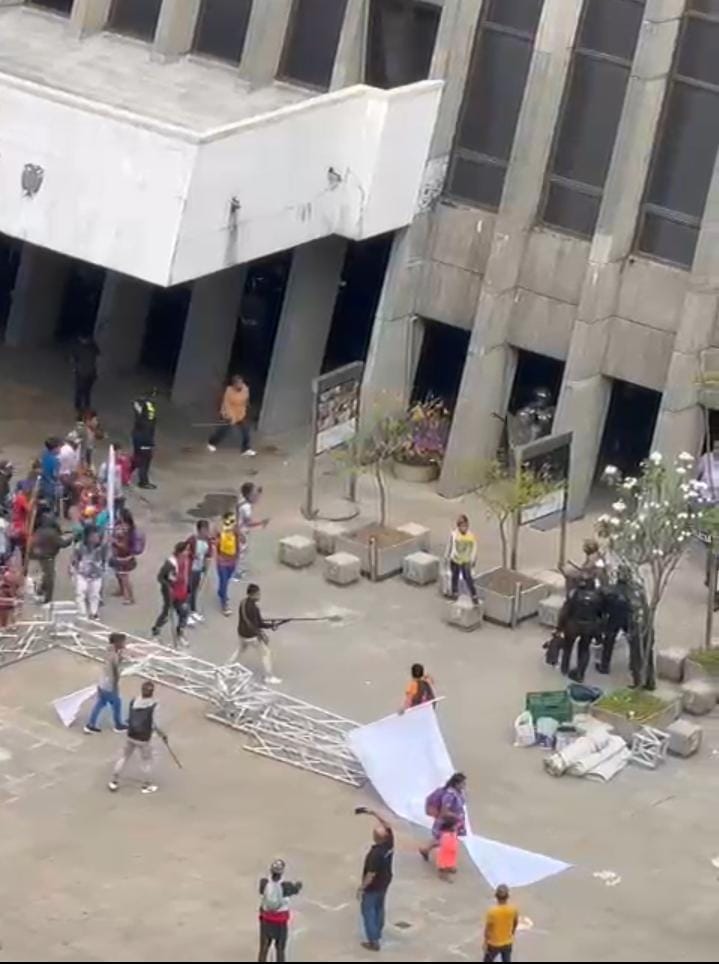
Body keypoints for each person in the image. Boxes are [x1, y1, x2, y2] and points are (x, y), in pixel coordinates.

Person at [108, 680, 167, 794]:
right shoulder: (154, 705)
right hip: (144, 738)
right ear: (152, 692)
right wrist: (162, 734)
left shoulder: (134, 701)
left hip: (131, 734)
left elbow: (129, 717)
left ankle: (114, 781)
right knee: (146, 761)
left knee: (124, 757)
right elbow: (155, 724)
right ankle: (146, 785)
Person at [357, 807, 394, 952]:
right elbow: (388, 825)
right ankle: (378, 929)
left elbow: (370, 875)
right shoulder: (389, 843)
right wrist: (373, 813)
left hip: (373, 885)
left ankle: (373, 941)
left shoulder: (374, 854)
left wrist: (362, 888)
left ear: (376, 837)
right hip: (385, 881)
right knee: (379, 907)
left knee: (368, 911)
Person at [559, 574, 604, 681]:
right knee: (584, 649)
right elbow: (601, 614)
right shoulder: (598, 597)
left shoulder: (574, 594)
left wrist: (560, 627)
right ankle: (580, 673)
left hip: (573, 625)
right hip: (589, 627)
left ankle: (564, 668)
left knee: (568, 647)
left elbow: (565, 612)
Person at [257, 859, 302, 963]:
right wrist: (298, 885)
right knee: (280, 950)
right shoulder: (286, 886)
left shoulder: (263, 882)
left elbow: (261, 891)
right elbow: (295, 890)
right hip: (280, 924)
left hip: (265, 921)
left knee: (263, 949)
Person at [236, 583, 281, 684]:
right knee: (266, 653)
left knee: (240, 650)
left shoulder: (242, 603)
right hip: (251, 636)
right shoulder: (254, 609)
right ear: (253, 595)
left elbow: (252, 621)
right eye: (258, 594)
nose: (259, 596)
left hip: (241, 633)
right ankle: (269, 676)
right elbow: (259, 624)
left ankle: (227, 667)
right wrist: (271, 626)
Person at [84, 632, 127, 734]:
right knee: (117, 703)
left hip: (102, 682)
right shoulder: (114, 655)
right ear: (117, 643)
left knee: (100, 703)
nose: (124, 643)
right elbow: (116, 671)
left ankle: (90, 725)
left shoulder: (108, 651)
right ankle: (118, 725)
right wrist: (115, 686)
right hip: (109, 685)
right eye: (123, 642)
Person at [420, 772, 467, 863]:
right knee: (445, 840)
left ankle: (426, 849)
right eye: (463, 783)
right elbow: (444, 811)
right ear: (456, 784)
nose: (464, 785)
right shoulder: (449, 795)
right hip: (447, 822)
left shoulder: (458, 793)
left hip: (453, 822)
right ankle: (443, 863)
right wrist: (457, 816)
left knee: (442, 840)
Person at [151, 541, 190, 646]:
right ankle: (156, 631)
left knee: (184, 612)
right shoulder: (170, 563)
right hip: (170, 592)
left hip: (182, 591)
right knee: (167, 614)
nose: (188, 552)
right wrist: (168, 586)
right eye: (186, 550)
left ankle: (180, 633)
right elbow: (160, 577)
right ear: (180, 551)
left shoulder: (186, 561)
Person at [29, 511, 72, 604]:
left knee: (45, 575)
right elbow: (62, 544)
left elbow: (33, 544)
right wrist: (71, 538)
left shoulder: (38, 532)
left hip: (39, 556)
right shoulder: (52, 533)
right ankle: (47, 598)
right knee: (50, 577)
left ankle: (40, 589)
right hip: (48, 557)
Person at [597, 568, 633, 675]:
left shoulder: (611, 590)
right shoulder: (631, 592)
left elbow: (603, 607)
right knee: (633, 641)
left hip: (613, 619)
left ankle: (604, 667)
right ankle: (634, 664)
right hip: (627, 619)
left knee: (608, 643)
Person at [207, 374, 255, 456]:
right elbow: (227, 405)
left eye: (241, 383)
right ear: (234, 385)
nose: (240, 385)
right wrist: (231, 417)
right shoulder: (229, 391)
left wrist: (242, 414)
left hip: (240, 413)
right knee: (223, 430)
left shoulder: (245, 389)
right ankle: (211, 443)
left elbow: (245, 402)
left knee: (246, 431)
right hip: (228, 413)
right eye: (238, 384)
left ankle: (245, 449)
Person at [71, 524, 107, 620]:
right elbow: (75, 558)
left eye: (97, 536)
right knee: (80, 593)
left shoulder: (102, 547)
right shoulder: (79, 546)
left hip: (97, 574)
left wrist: (103, 569)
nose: (96, 538)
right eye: (93, 536)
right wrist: (73, 569)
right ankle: (82, 613)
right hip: (82, 573)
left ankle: (94, 612)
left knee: (95, 594)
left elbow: (104, 559)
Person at [235, 481, 269, 579]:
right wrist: (261, 522)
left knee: (240, 550)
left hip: (238, 527)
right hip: (242, 531)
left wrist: (258, 491)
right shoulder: (246, 508)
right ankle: (238, 573)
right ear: (249, 496)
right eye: (254, 495)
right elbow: (248, 523)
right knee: (242, 551)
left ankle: (238, 569)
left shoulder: (242, 500)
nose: (257, 497)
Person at [111, 506, 142, 605]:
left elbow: (124, 546)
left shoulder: (126, 530)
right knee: (118, 575)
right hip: (119, 556)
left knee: (125, 578)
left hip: (124, 557)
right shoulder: (121, 526)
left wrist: (114, 541)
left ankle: (130, 598)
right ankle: (121, 591)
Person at [446, 514, 479, 605]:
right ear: (459, 526)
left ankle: (474, 595)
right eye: (462, 526)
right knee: (455, 577)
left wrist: (473, 559)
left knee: (468, 577)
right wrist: (447, 556)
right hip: (455, 560)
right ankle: (454, 593)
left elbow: (474, 548)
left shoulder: (470, 536)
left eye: (465, 526)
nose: (464, 528)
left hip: (466, 560)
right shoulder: (454, 534)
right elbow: (450, 546)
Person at [483, 884, 519, 963]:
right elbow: (515, 923)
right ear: (507, 896)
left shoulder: (492, 912)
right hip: (508, 942)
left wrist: (485, 942)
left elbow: (488, 929)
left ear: (496, 896)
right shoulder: (513, 909)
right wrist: (511, 933)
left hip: (494, 943)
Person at [215, 511, 240, 615]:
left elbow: (239, 543)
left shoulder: (235, 533)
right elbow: (216, 546)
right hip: (222, 562)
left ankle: (221, 592)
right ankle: (224, 604)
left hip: (232, 562)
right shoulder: (221, 533)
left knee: (227, 579)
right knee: (224, 581)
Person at [132, 389, 158, 489]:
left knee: (138, 456)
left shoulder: (138, 404)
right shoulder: (149, 409)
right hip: (144, 438)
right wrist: (149, 443)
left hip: (137, 435)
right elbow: (149, 423)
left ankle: (125, 472)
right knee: (145, 459)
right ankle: (143, 482)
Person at [187, 519, 211, 624]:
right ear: (199, 530)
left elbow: (208, 555)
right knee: (188, 591)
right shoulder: (192, 540)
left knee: (195, 591)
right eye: (204, 530)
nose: (206, 532)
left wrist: (205, 569)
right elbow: (184, 551)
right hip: (189, 569)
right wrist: (192, 555)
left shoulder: (208, 541)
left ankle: (193, 610)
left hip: (198, 569)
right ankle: (186, 614)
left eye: (207, 529)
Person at [71, 332, 99, 417]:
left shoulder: (78, 347)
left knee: (79, 390)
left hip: (82, 372)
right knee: (87, 391)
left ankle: (79, 406)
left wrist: (74, 367)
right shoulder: (93, 347)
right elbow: (98, 355)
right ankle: (86, 406)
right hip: (91, 373)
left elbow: (73, 359)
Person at [58, 432, 80, 519]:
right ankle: (69, 509)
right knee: (75, 489)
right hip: (63, 475)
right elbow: (73, 469)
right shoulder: (71, 451)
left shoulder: (63, 448)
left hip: (60, 473)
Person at [38, 437, 62, 512]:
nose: (60, 449)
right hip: (50, 486)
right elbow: (55, 476)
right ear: (55, 448)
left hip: (42, 483)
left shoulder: (44, 454)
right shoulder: (55, 461)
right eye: (59, 447)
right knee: (50, 506)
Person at [436, 815, 459, 882]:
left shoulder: (452, 833)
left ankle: (449, 868)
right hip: (446, 852)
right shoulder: (446, 835)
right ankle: (443, 875)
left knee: (450, 861)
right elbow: (445, 845)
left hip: (451, 851)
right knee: (445, 863)